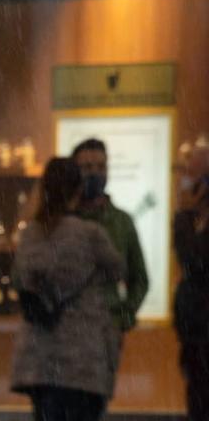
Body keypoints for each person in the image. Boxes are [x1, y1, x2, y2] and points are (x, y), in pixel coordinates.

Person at [11, 158, 124, 421]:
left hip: (40, 354)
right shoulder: (90, 234)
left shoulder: (29, 234)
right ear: (79, 190)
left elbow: (22, 278)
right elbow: (118, 268)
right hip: (81, 353)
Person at [170, 146, 209, 421]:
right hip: (197, 343)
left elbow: (195, 261)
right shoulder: (190, 221)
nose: (184, 178)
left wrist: (183, 215)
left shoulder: (189, 223)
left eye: (192, 173)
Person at [72, 138, 149, 332]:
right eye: (87, 167)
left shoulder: (122, 221)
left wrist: (124, 316)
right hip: (68, 327)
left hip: (107, 325)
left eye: (101, 166)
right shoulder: (62, 220)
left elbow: (139, 277)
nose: (95, 173)